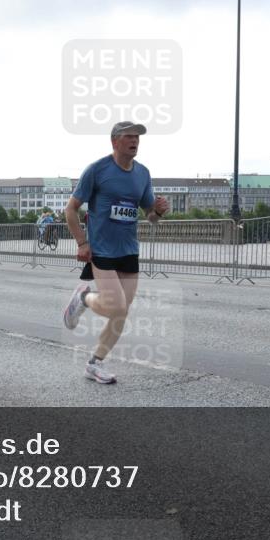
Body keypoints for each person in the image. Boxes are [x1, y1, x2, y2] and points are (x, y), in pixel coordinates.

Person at [62, 121, 169, 384]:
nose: (135, 140)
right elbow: (71, 209)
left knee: (121, 311)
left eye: (138, 137)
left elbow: (150, 217)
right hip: (102, 250)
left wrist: (159, 211)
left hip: (129, 250)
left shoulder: (142, 173)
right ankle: (85, 298)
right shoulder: (97, 170)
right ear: (115, 141)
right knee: (117, 306)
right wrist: (82, 243)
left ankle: (94, 364)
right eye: (129, 136)